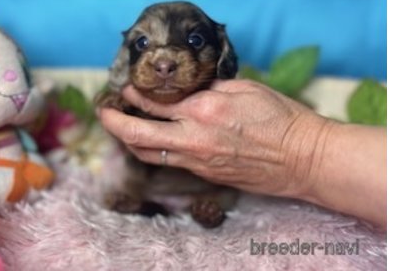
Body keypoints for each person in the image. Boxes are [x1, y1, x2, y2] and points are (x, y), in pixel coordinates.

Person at [98, 79, 387, 229]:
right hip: (149, 180)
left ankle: (202, 210)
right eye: (144, 44)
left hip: (213, 189)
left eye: (195, 40)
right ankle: (142, 205)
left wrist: (302, 150)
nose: (165, 62)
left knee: (223, 197)